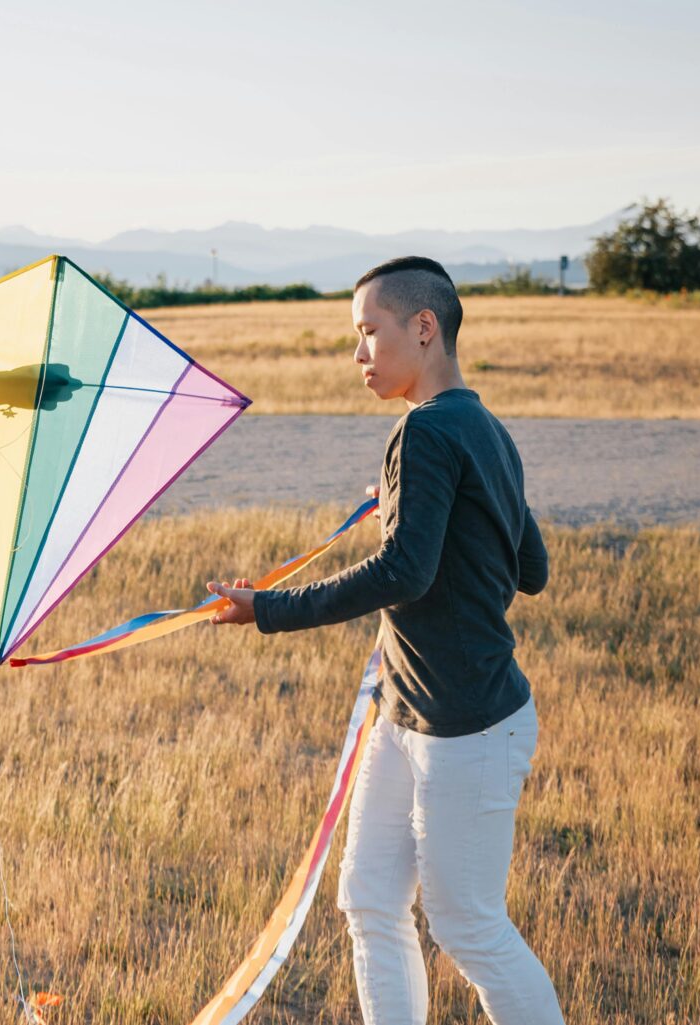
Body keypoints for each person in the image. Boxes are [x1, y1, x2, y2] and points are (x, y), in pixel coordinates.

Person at [207, 257, 563, 1025]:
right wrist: (414, 507)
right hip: (406, 716)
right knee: (368, 896)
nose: (358, 355)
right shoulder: (485, 427)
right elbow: (527, 564)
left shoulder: (426, 431)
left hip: (466, 725)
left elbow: (405, 571)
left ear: (424, 328)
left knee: (469, 924)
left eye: (369, 333)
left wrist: (266, 608)